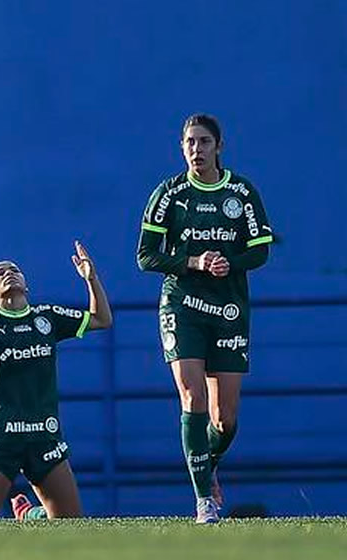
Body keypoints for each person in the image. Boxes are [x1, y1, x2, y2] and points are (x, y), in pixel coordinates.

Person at [135, 113, 273, 523]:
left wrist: (227, 263)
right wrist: (194, 260)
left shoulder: (241, 193)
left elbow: (261, 249)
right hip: (182, 307)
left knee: (225, 420)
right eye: (190, 143)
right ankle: (203, 502)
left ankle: (205, 462)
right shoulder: (169, 194)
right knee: (191, 397)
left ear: (219, 147)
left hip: (229, 311)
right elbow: (145, 255)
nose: (196, 150)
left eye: (204, 142)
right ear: (182, 147)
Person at [0, 243, 112, 520]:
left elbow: (102, 319)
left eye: (15, 270)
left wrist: (91, 279)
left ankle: (30, 516)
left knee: (71, 527)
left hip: (44, 436)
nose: (9, 273)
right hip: (2, 437)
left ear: (27, 285)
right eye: (0, 272)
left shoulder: (46, 316)